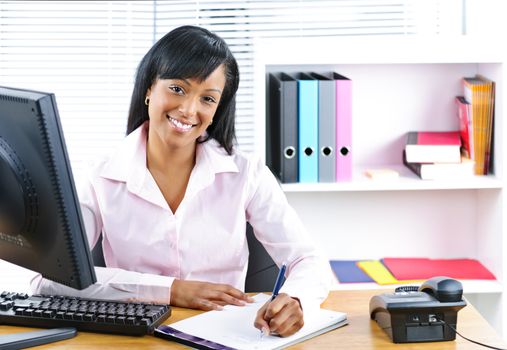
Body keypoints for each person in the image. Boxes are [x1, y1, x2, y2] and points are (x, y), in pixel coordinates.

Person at [32, 25, 332, 337]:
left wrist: (297, 299)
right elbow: (52, 278)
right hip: (133, 336)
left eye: (207, 98)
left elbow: (308, 259)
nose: (189, 110)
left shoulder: (247, 172)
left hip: (225, 335)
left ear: (218, 109)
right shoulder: (99, 175)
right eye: (177, 89)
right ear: (149, 88)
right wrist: (170, 290)